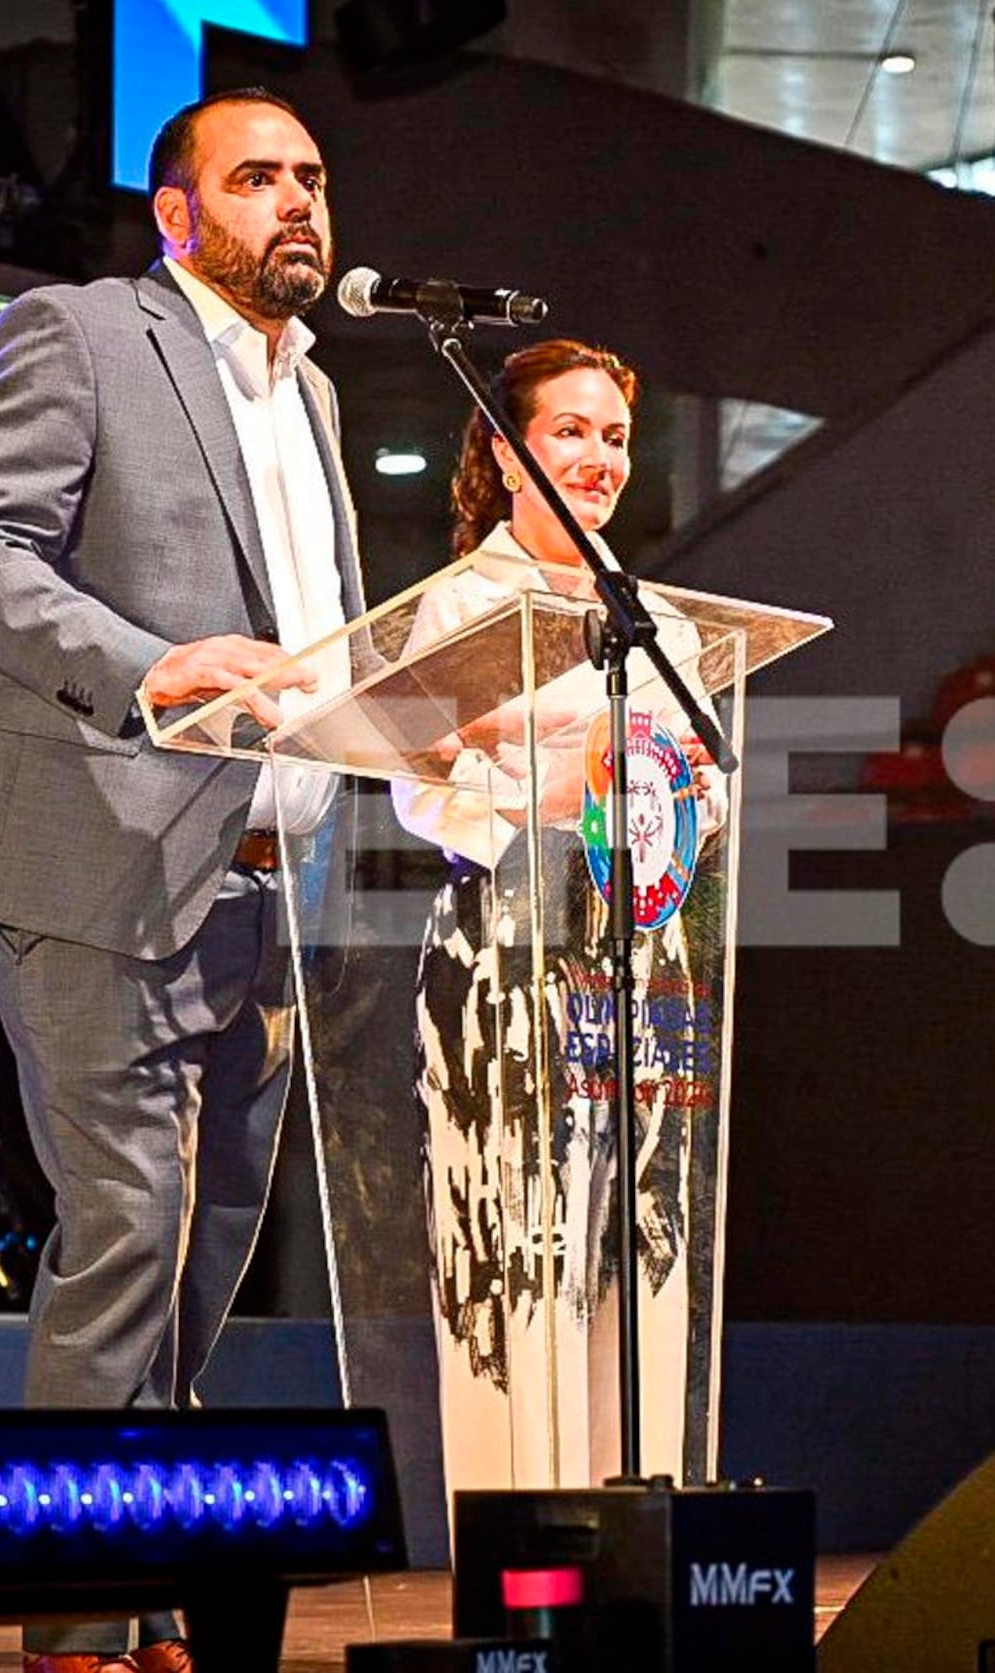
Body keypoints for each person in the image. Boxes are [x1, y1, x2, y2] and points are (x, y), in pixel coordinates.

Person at [0, 86, 363, 1673]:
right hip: (96, 859)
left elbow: (315, 651)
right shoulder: (82, 333)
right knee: (129, 1231)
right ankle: (79, 1622)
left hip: (263, 890)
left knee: (197, 1266)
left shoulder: (310, 398)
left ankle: (145, 1591)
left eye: (310, 177)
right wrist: (156, 667)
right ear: (177, 213)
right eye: (256, 179)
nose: (295, 201)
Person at [391, 340, 726, 1500]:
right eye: (570, 432)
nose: (597, 458)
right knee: (517, 1269)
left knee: (637, 1262)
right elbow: (426, 783)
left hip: (645, 968)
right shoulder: (464, 607)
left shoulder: (659, 624)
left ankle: (634, 1545)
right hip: (507, 959)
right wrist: (594, 769)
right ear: (505, 448)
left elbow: (705, 794)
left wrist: (594, 765)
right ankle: (525, 1562)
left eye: (615, 437)